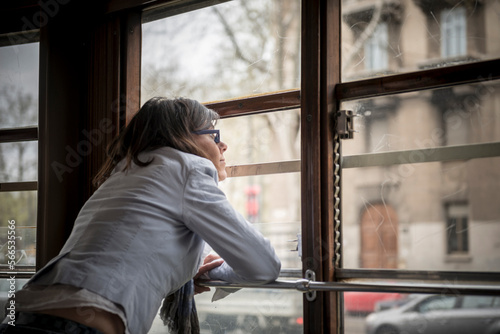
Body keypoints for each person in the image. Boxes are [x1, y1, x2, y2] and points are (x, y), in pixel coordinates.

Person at [0, 97, 281, 334]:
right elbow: (264, 265)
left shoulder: (125, 173)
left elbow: (137, 246)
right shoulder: (189, 167)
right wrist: (222, 274)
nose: (223, 146)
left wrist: (187, 273)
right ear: (182, 139)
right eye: (212, 134)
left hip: (23, 312)